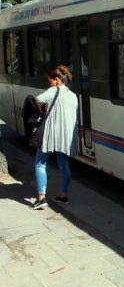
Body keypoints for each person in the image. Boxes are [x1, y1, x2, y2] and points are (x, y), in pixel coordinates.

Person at [31, 65, 79, 210]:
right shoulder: (72, 95)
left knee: (40, 163)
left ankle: (41, 198)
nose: (49, 84)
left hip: (51, 134)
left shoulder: (54, 90)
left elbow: (38, 98)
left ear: (57, 80)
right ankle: (63, 196)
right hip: (66, 136)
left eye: (50, 81)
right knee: (63, 164)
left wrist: (42, 109)